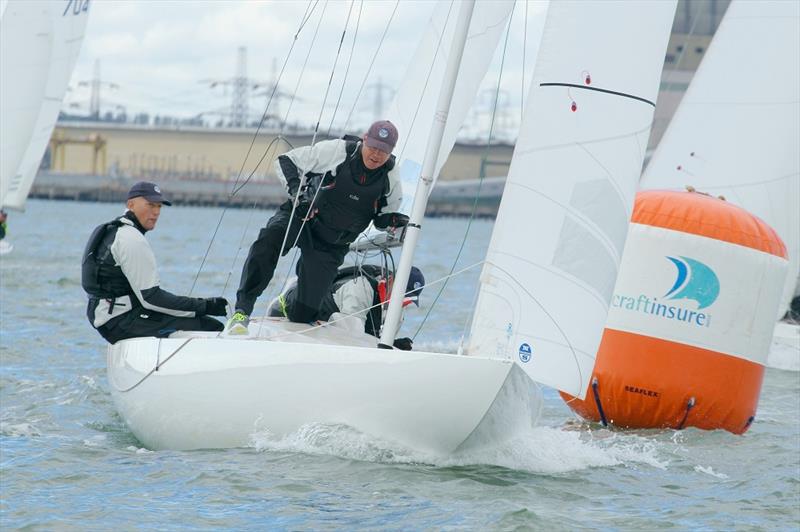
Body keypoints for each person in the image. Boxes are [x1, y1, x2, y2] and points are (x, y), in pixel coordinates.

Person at [227, 120, 409, 334]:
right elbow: (286, 161)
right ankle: (242, 311)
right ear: (364, 140)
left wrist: (395, 222)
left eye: (384, 151)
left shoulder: (391, 177)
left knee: (303, 314)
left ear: (391, 152)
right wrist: (298, 195)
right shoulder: (338, 151)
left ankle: (288, 299)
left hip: (332, 244)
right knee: (270, 238)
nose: (376, 155)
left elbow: (381, 219)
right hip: (303, 219)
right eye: (374, 147)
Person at [81, 181, 228, 344]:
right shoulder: (131, 238)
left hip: (107, 317)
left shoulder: (113, 229)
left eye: (159, 206)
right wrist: (206, 306)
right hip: (120, 322)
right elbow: (151, 299)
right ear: (131, 204)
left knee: (195, 318)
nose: (156, 212)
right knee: (210, 326)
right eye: (150, 205)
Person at [268, 264, 425, 350]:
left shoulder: (398, 309)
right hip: (288, 311)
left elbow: (373, 339)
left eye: (408, 300)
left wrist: (393, 343)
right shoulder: (361, 289)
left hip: (325, 331)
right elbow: (350, 335)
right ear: (391, 281)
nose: (403, 303)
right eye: (402, 296)